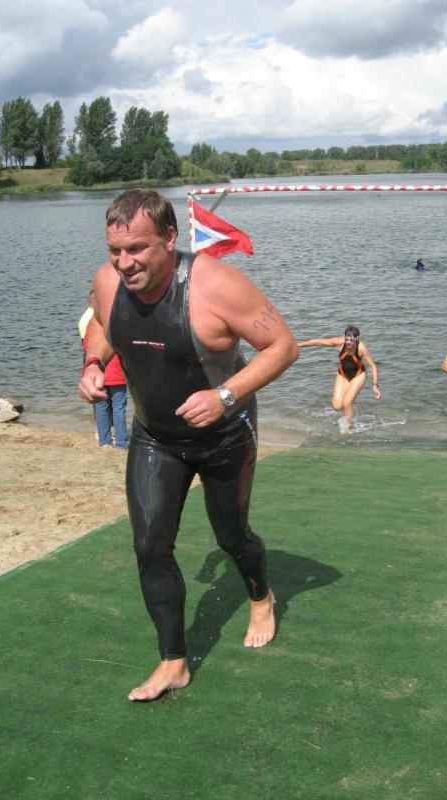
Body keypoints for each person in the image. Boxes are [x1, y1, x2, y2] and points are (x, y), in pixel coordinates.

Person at [78, 189, 298, 701]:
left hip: (224, 435)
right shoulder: (108, 281)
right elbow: (102, 325)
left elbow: (283, 346)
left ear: (169, 238)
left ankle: (261, 595)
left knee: (232, 536)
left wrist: (225, 396)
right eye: (115, 250)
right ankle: (173, 662)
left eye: (137, 249)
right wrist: (92, 364)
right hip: (155, 437)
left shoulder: (216, 285)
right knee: (149, 546)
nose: (124, 263)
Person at [297, 326, 381, 431]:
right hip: (342, 375)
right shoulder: (339, 343)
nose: (348, 342)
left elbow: (372, 366)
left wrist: (375, 385)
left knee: (347, 402)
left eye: (351, 340)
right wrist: (298, 345)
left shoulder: (361, 348)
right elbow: (319, 342)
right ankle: (350, 410)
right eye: (347, 339)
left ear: (357, 339)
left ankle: (350, 428)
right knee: (337, 407)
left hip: (358, 375)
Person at [79, 290, 129, 449]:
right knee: (118, 408)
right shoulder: (113, 322)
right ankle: (122, 442)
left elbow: (87, 349)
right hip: (116, 374)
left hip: (98, 374)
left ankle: (104, 441)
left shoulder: (88, 324)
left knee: (101, 407)